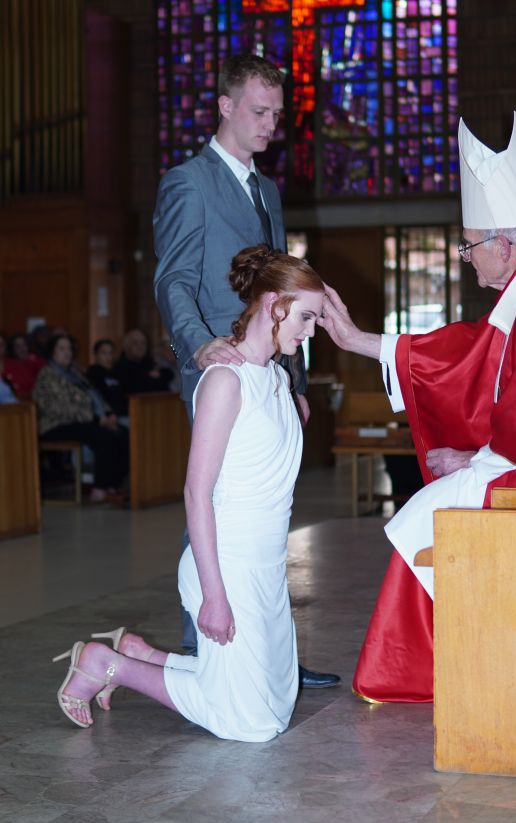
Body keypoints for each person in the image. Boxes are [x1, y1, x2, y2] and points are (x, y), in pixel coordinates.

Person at [318, 112, 516, 704]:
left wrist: (477, 459)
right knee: (425, 512)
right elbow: (475, 355)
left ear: (503, 244)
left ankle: (421, 674)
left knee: (426, 517)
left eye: (468, 245)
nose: (464, 256)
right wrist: (361, 342)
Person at [53, 247, 327, 740]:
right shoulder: (225, 380)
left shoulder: (278, 379)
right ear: (272, 303)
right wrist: (214, 595)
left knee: (278, 700)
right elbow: (196, 493)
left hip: (266, 564)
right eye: (306, 317)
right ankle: (107, 665)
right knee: (252, 723)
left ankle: (141, 653)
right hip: (225, 563)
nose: (310, 331)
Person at [153, 53, 339, 688]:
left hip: (269, 369)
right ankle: (209, 652)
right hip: (221, 365)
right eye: (259, 112)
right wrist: (199, 345)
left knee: (267, 506)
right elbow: (173, 279)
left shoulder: (268, 190)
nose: (270, 125)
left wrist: (295, 379)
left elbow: (284, 292)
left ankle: (267, 646)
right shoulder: (188, 182)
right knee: (216, 498)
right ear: (225, 106)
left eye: (277, 115)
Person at [33, 334, 129, 503]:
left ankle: (112, 485)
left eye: (69, 349)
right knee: (103, 436)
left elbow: (95, 396)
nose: (67, 352)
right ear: (52, 352)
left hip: (83, 421)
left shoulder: (74, 373)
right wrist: (97, 419)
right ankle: (99, 488)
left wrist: (108, 414)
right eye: (62, 349)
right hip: (55, 425)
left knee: (124, 434)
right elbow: (59, 408)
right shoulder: (47, 375)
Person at [115, 329, 173, 396]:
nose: (140, 346)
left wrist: (160, 374)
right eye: (135, 343)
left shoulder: (149, 362)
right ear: (126, 346)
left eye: (143, 343)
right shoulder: (120, 367)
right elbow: (136, 387)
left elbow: (169, 374)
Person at [86, 339, 129, 425]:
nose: (108, 357)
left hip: (124, 413)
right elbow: (99, 398)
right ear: (96, 355)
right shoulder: (93, 374)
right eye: (104, 353)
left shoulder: (118, 373)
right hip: (109, 417)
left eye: (110, 353)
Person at [3, 333, 45, 397]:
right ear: (12, 349)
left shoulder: (38, 361)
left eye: (24, 345)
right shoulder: (8, 365)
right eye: (18, 346)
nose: (22, 349)